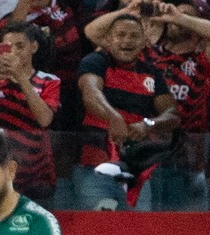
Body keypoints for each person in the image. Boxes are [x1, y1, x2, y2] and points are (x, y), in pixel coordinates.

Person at [76, 13, 179, 210]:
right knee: (99, 232)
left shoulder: (152, 73)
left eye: (134, 36)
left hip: (137, 172)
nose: (127, 40)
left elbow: (172, 114)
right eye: (120, 35)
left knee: (138, 234)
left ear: (144, 42)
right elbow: (91, 94)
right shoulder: (95, 61)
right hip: (95, 168)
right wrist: (113, 117)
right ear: (108, 40)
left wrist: (148, 124)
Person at [0, 20, 60, 204]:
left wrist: (21, 77)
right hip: (2, 172)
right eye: (8, 47)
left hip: (38, 175)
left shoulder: (49, 81)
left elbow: (44, 119)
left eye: (20, 46)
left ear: (34, 46)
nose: (13, 52)